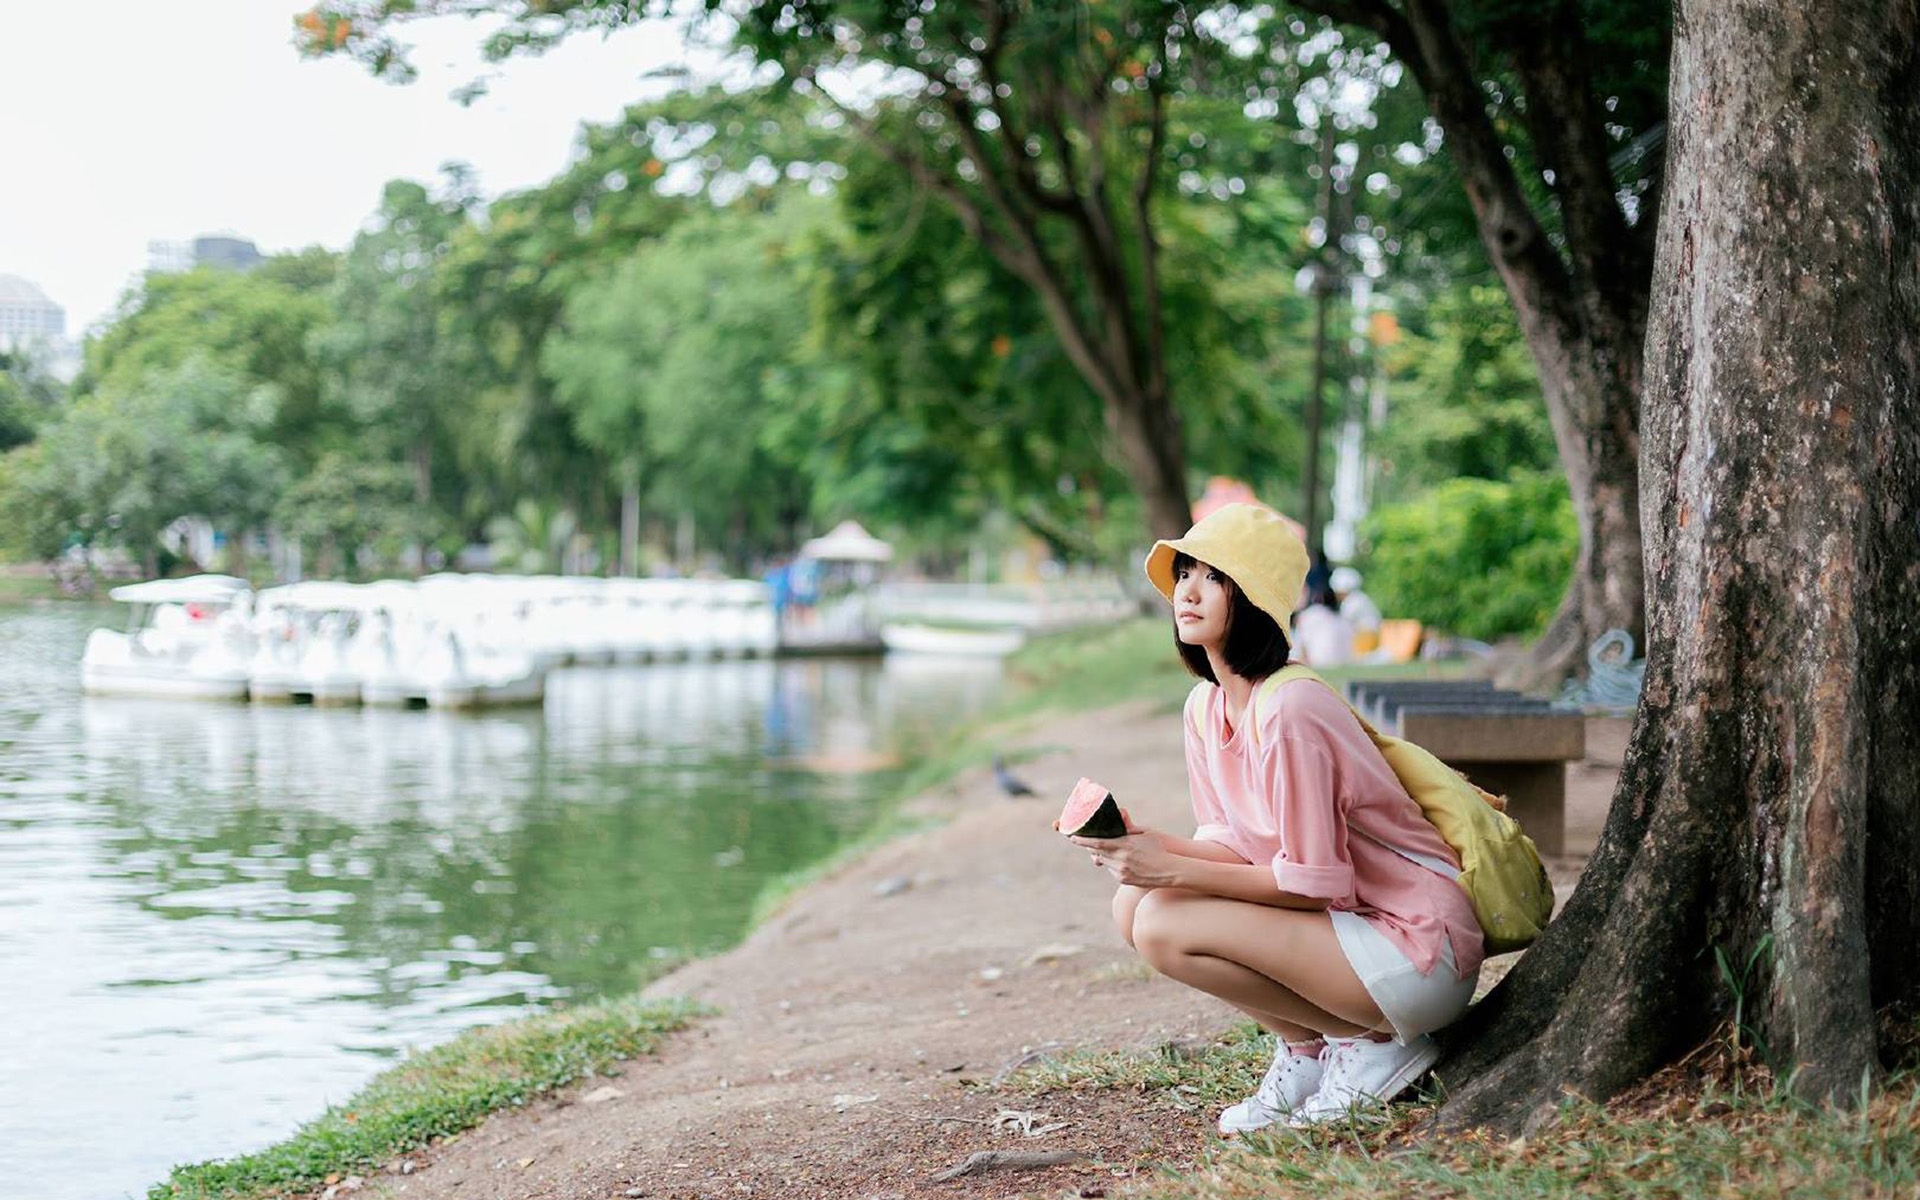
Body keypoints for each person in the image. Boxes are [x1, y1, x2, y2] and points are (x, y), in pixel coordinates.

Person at [1067, 503, 1484, 1132]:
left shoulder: (1292, 710)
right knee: (1133, 903)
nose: (1188, 590)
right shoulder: (1205, 707)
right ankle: (1311, 1050)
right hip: (1349, 936)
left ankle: (1375, 1047)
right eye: (1185, 572)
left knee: (1159, 921)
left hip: (1416, 949)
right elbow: (1234, 845)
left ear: (1253, 597)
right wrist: (1144, 846)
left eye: (1215, 577)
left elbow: (1318, 883)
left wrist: (1173, 874)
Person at [1290, 581, 1355, 667]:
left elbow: (1301, 646)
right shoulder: (1342, 618)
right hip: (1343, 661)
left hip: (1319, 662)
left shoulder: (1310, 614)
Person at [1330, 566, 1383, 655]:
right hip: (1369, 636)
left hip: (1365, 637)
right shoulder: (1359, 597)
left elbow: (1344, 625)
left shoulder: (1352, 601)